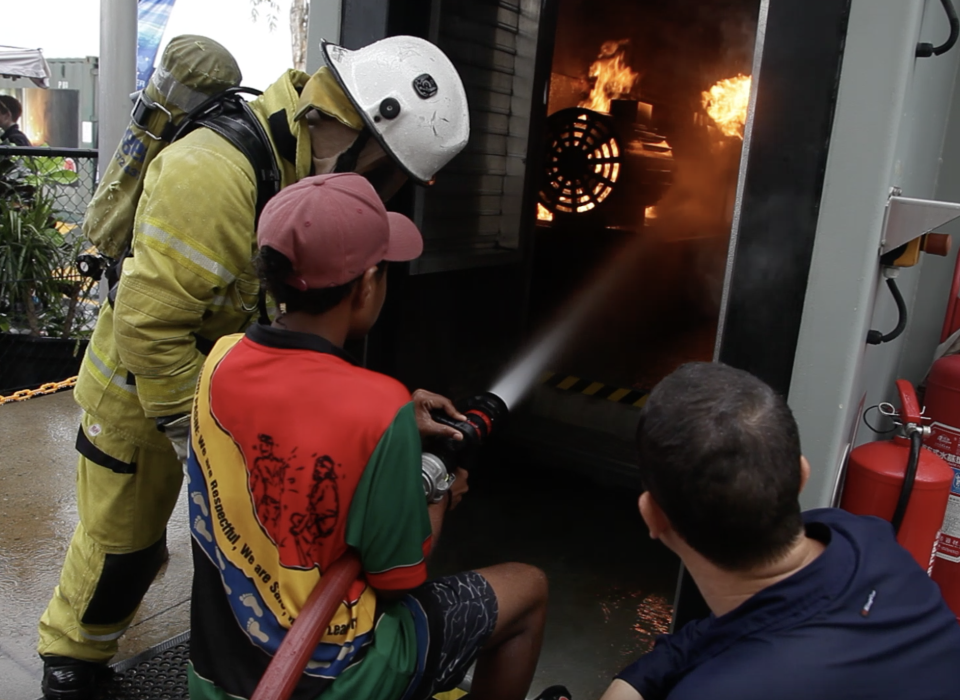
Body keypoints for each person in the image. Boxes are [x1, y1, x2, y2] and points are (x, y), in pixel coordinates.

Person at [38, 35, 470, 700]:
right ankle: (71, 670)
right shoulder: (215, 174)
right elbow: (149, 328)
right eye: (388, 176)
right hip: (143, 399)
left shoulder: (290, 168)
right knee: (120, 551)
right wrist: (201, 437)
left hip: (216, 393)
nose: (381, 196)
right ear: (356, 129)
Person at [186, 172, 560, 700]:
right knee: (529, 588)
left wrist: (393, 421)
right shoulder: (378, 406)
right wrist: (437, 491)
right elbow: (401, 578)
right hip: (331, 680)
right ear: (365, 286)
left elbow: (292, 411)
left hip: (215, 675)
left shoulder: (219, 360)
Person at [600, 362, 960, 700]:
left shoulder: (721, 691)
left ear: (652, 517)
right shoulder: (861, 538)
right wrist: (635, 680)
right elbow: (722, 629)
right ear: (802, 474)